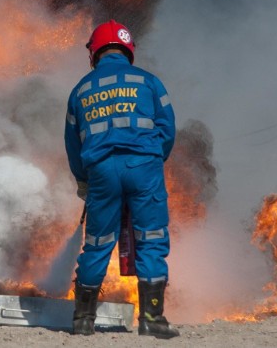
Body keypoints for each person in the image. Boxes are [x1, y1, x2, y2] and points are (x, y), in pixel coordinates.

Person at [64, 20, 179, 339]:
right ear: (128, 50)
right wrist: (155, 159)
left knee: (97, 243)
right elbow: (167, 130)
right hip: (144, 166)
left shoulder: (81, 89)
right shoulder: (149, 82)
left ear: (94, 52)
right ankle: (152, 319)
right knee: (151, 238)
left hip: (102, 170)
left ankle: (83, 320)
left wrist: (83, 180)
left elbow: (73, 144)